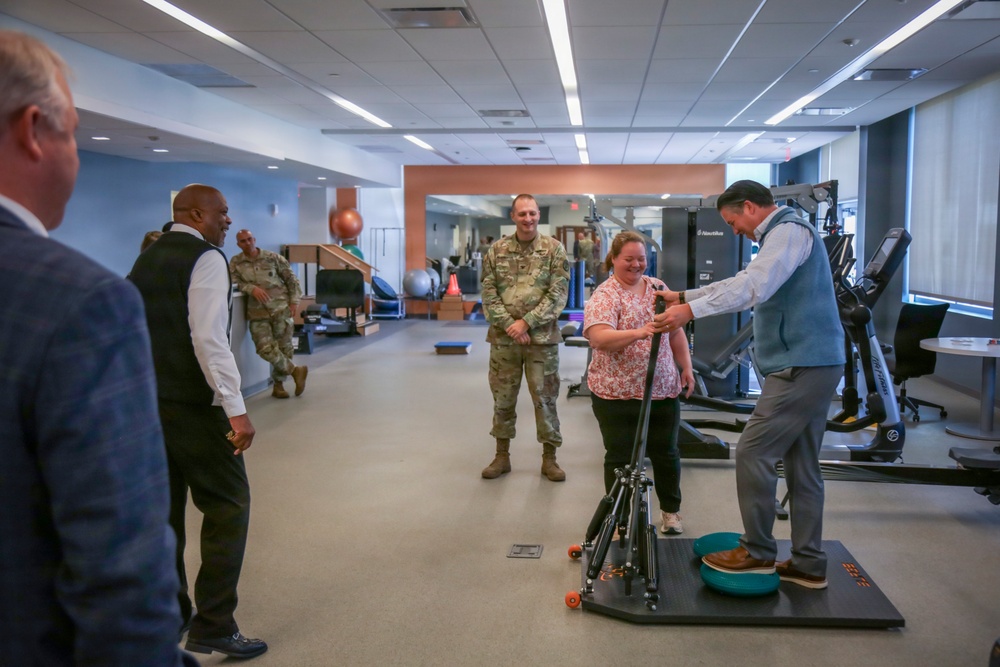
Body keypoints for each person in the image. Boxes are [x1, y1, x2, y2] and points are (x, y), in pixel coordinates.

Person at [0, 30, 196, 665]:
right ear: (33, 130)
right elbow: (120, 567)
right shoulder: (78, 302)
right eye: (75, 133)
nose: (77, 157)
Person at [654, 179, 845, 589]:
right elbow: (741, 279)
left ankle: (758, 551)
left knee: (754, 451)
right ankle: (809, 563)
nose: (733, 230)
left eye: (732, 221)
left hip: (803, 365)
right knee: (802, 465)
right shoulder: (782, 235)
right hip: (813, 362)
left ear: (749, 207)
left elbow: (752, 287)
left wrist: (689, 311)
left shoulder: (789, 231)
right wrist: (686, 295)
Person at [129, 184, 268, 658]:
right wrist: (237, 409)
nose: (228, 221)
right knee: (229, 506)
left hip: (151, 408)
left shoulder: (147, 257)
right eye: (222, 213)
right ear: (195, 213)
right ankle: (214, 624)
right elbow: (209, 340)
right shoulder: (206, 258)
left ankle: (169, 614)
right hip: (196, 408)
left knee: (166, 515)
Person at [583, 231, 694, 535]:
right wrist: (640, 331)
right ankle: (620, 518)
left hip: (661, 390)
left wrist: (686, 366)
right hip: (615, 393)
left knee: (667, 453)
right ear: (614, 259)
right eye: (629, 259)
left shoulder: (659, 289)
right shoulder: (605, 296)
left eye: (641, 259)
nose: (636, 265)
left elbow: (675, 332)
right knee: (619, 458)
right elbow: (599, 337)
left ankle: (671, 512)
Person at [480, 194, 570, 481]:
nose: (528, 219)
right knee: (503, 399)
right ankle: (501, 456)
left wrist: (526, 323)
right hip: (504, 339)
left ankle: (549, 458)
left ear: (538, 215)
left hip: (542, 340)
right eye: (522, 214)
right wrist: (510, 324)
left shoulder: (554, 250)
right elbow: (488, 291)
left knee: (545, 399)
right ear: (513, 216)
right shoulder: (496, 251)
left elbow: (558, 294)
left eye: (532, 213)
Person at [230, 229, 308, 399]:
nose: (248, 243)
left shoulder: (272, 257)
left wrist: (294, 301)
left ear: (255, 239)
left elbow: (291, 279)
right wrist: (251, 288)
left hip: (280, 308)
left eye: (250, 239)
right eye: (243, 241)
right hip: (257, 312)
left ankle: (278, 386)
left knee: (284, 347)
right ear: (238, 244)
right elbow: (234, 281)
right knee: (264, 348)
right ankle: (295, 371)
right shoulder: (236, 262)